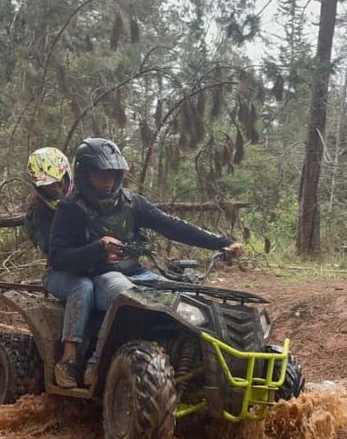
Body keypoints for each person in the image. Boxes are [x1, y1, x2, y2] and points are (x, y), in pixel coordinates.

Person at [48, 137, 244, 386]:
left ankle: (196, 363)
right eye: (101, 174)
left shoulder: (132, 203)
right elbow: (57, 256)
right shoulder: (70, 208)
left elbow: (173, 226)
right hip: (98, 275)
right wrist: (97, 250)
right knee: (125, 294)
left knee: (178, 294)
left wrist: (221, 243)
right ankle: (91, 363)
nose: (109, 181)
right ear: (85, 174)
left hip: (136, 272)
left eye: (114, 174)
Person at [25, 147, 95, 389]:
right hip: (59, 273)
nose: (55, 189)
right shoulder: (38, 213)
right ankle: (69, 358)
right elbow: (54, 252)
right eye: (48, 186)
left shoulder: (86, 197)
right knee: (83, 287)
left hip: (95, 264)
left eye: (58, 183)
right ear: (38, 186)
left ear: (67, 176)